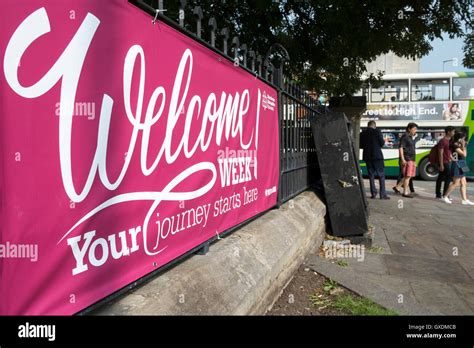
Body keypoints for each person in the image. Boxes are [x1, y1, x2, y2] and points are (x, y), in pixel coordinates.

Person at [360, 121, 390, 200]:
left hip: (367, 157)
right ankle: (382, 195)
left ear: (368, 125)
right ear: (374, 126)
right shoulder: (377, 131)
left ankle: (373, 193)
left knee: (371, 176)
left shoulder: (363, 133)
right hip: (377, 157)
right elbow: (382, 143)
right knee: (381, 176)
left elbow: (360, 145)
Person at [442, 132, 474, 205]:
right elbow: (464, 154)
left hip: (463, 163)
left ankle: (464, 199)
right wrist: (464, 146)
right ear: (459, 138)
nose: (464, 140)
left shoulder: (459, 145)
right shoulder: (455, 145)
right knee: (455, 182)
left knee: (464, 182)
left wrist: (463, 145)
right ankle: (445, 196)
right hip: (457, 163)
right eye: (463, 138)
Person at [393, 123, 418, 198]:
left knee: (408, 176)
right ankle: (405, 192)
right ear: (409, 129)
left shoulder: (410, 137)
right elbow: (401, 148)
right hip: (407, 159)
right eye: (414, 129)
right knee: (408, 176)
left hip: (411, 159)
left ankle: (397, 187)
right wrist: (403, 159)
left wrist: (414, 161)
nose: (415, 131)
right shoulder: (405, 136)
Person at [435, 126, 455, 199]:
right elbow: (440, 153)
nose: (454, 133)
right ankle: (445, 194)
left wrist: (451, 158)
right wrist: (441, 164)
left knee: (440, 178)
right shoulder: (443, 141)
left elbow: (448, 151)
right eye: (453, 131)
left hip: (448, 161)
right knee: (448, 178)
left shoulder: (449, 141)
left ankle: (438, 194)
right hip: (444, 162)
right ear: (448, 132)